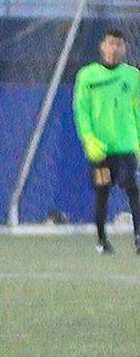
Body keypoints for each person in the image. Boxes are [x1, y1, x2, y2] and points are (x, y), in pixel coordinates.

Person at [72, 27, 140, 255]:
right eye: (111, 43)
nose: (115, 48)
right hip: (100, 150)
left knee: (131, 186)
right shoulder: (87, 76)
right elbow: (82, 111)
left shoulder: (133, 77)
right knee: (102, 191)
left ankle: (138, 237)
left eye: (119, 44)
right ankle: (102, 240)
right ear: (102, 46)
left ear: (125, 48)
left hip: (126, 147)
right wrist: (89, 139)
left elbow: (138, 111)